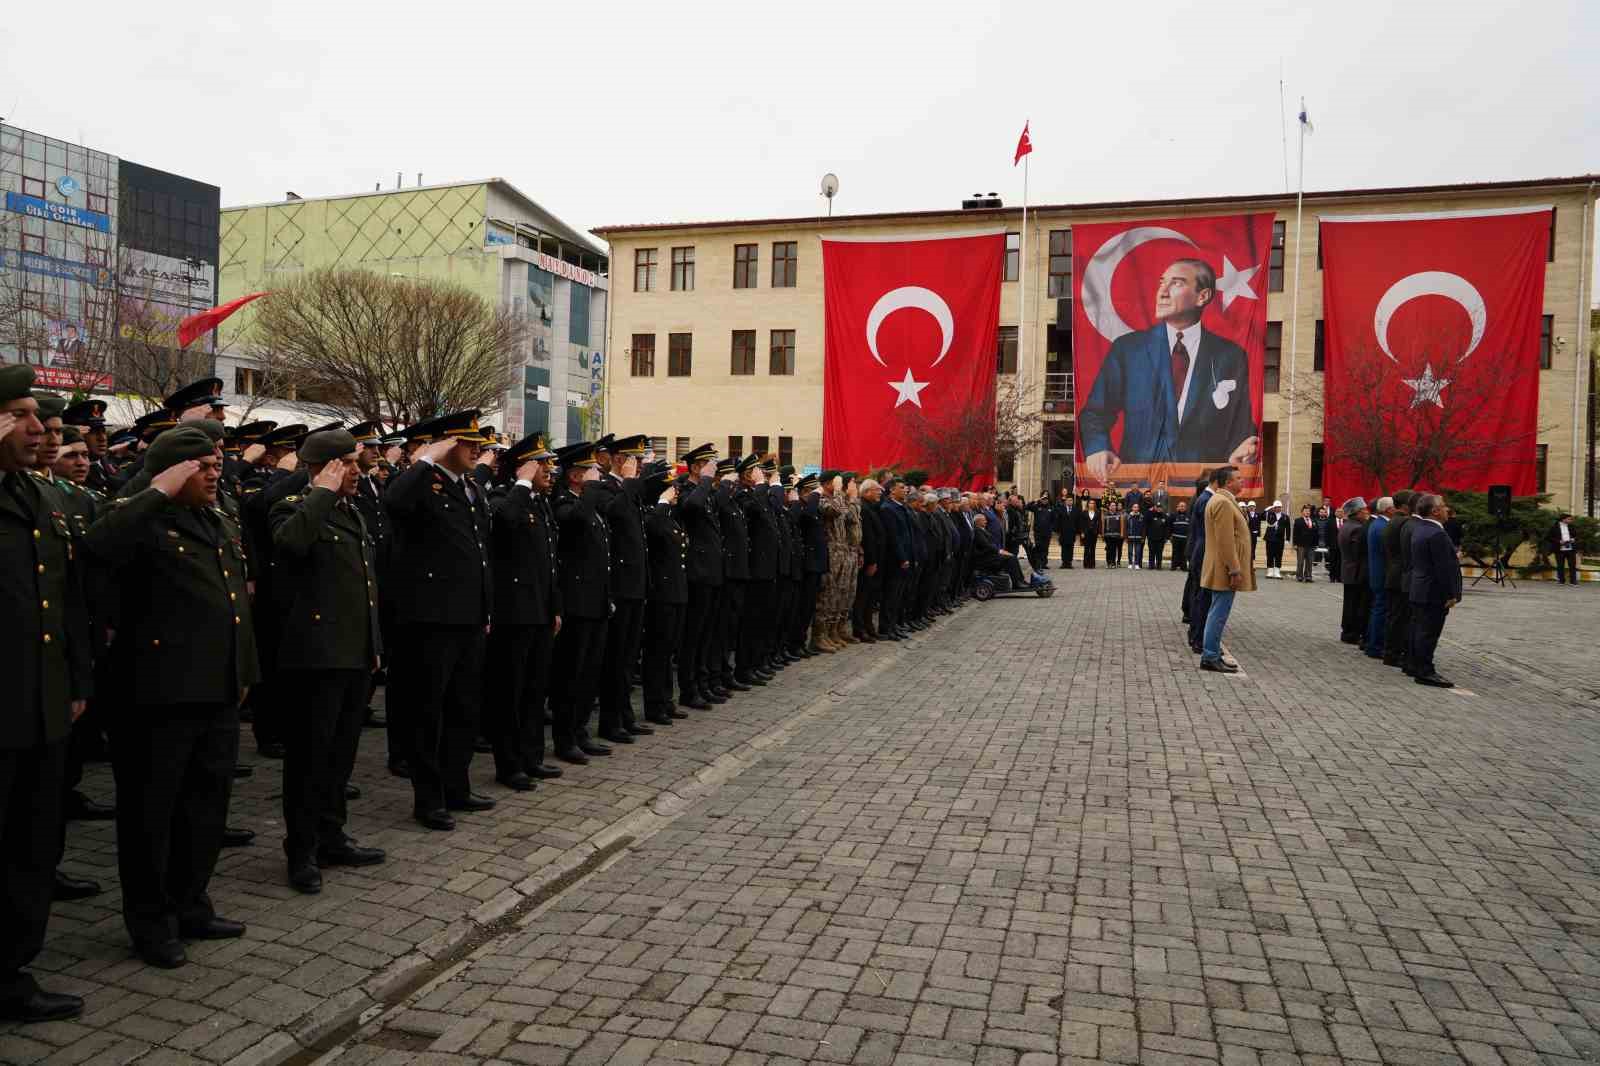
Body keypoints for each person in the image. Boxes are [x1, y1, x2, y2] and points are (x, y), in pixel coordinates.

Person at [83, 425, 257, 969]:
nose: (214, 474)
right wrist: (157, 489)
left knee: (205, 809)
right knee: (150, 815)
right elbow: (96, 547)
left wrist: (243, 668)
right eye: (201, 467)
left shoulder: (218, 518)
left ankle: (191, 904)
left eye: (217, 465)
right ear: (171, 471)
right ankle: (150, 921)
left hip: (216, 688)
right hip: (156, 693)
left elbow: (233, 601)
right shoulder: (140, 517)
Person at [0, 367, 92, 1021]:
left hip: (41, 705)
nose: (39, 430)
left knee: (30, 849)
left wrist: (77, 682)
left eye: (38, 415)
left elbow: (63, 601)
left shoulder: (36, 497)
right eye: (21, 415)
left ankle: (10, 972)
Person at [268, 429, 386, 894]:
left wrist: (373, 644)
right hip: (315, 657)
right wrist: (320, 492)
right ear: (325, 467)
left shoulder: (349, 512)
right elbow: (291, 544)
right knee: (308, 759)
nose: (360, 472)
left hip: (354, 654)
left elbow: (365, 588)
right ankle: (300, 850)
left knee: (340, 757)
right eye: (350, 465)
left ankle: (331, 835)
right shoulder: (296, 507)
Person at [382, 411, 495, 830]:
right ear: (447, 445)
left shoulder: (469, 489)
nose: (477, 451)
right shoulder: (423, 486)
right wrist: (426, 459)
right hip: (431, 618)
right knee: (429, 711)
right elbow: (393, 502)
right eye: (468, 444)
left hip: (468, 617)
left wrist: (485, 609)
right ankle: (429, 799)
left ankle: (456, 786)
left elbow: (480, 556)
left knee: (464, 708)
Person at [1079, 259, 1260, 481]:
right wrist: (1098, 448)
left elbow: (1240, 423)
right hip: (1139, 485)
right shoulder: (1128, 350)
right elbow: (1095, 413)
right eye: (1161, 283)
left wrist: (1241, 448)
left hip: (1201, 488)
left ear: (1202, 296)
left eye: (1176, 283)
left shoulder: (1231, 356)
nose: (1162, 292)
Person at [483, 434, 565, 788]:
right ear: (522, 467)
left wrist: (555, 607)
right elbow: (504, 523)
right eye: (540, 463)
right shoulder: (504, 497)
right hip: (513, 614)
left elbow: (548, 562)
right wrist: (520, 482)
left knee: (535, 691)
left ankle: (532, 757)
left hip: (540, 612)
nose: (548, 470)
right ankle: (509, 764)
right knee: (510, 693)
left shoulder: (539, 502)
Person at [550, 441, 614, 758]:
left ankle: (580, 730)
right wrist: (590, 490)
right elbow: (573, 520)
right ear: (575, 476)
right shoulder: (564, 503)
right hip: (576, 604)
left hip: (597, 602)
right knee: (570, 675)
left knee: (590, 672)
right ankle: (565, 738)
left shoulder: (590, 507)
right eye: (590, 471)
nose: (597, 475)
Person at [594, 436, 653, 744]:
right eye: (634, 459)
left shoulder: (629, 489)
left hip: (635, 584)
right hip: (618, 585)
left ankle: (624, 715)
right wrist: (628, 482)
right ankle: (610, 721)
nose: (639, 465)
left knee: (629, 656)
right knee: (615, 658)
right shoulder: (606, 487)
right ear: (618, 460)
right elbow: (614, 513)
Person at [641, 465, 689, 724]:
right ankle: (654, 705)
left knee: (669, 651)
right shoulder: (653, 515)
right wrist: (661, 502)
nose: (676, 492)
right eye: (671, 488)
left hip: (676, 592)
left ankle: (666, 700)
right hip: (661, 594)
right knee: (657, 652)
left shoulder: (668, 516)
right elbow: (654, 530)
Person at [676, 444, 723, 706]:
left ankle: (702, 683)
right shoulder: (688, 490)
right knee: (692, 635)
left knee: (707, 632)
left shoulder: (706, 492)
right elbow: (691, 507)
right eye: (706, 466)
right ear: (695, 467)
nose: (711, 472)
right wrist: (704, 479)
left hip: (712, 571)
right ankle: (688, 688)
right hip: (697, 572)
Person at [1198, 465, 1252, 673]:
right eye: (1238, 478)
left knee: (1218, 611)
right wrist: (1234, 570)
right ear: (1228, 482)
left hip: (1223, 566)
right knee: (1218, 613)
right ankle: (1210, 655)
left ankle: (1213, 653)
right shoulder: (1222, 502)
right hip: (1223, 567)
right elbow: (1226, 541)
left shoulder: (1224, 500)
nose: (1242, 481)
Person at [1408, 494, 1462, 687]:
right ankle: (1425, 671)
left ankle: (1415, 665)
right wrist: (1451, 594)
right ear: (1435, 511)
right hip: (1433, 591)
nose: (1447, 509)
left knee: (1419, 630)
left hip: (1420, 587)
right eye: (1444, 506)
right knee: (1428, 633)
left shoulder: (1421, 528)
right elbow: (1443, 568)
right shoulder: (1436, 533)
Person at [1384, 490, 1417, 673]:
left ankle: (1391, 651)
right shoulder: (1405, 522)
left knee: (1394, 616)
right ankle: (1394, 653)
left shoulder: (1393, 521)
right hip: (1400, 575)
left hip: (1393, 573)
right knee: (1400, 617)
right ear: (1406, 506)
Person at [877, 478, 915, 640]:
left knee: (898, 595)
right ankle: (886, 628)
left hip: (905, 556)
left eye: (906, 487)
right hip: (894, 560)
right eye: (902, 487)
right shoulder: (888, 508)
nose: (905, 490)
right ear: (892, 490)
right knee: (890, 595)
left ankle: (893, 626)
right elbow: (894, 537)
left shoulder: (901, 507)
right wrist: (902, 558)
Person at [1184, 474, 1213, 651]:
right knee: (1200, 596)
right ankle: (1196, 636)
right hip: (1200, 553)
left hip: (1196, 550)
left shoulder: (1198, 499)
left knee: (1196, 593)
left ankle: (1194, 630)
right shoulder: (1203, 501)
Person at [1336, 498, 1370, 644]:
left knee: (1349, 603)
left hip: (1348, 569)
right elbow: (1359, 552)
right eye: (1364, 511)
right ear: (1356, 513)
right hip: (1356, 570)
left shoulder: (1346, 525)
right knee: (1355, 604)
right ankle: (1352, 632)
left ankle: (1347, 630)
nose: (1366, 513)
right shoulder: (1357, 528)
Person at [1364, 497, 1395, 659]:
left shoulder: (1378, 524)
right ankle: (1375, 645)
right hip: (1382, 573)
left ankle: (1371, 642)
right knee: (1380, 610)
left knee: (1377, 608)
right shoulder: (1382, 526)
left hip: (1377, 572)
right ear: (1389, 510)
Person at [1549, 513, 1579, 585]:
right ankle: (1561, 580)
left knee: (1572, 565)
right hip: (1559, 549)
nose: (1571, 520)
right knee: (1560, 565)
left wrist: (1573, 539)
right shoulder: (1555, 527)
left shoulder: (1572, 526)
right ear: (1563, 519)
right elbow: (1549, 537)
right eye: (1569, 519)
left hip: (1570, 548)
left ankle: (1573, 581)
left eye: (1571, 519)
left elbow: (1577, 535)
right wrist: (1559, 541)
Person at [1262, 501, 1288, 579]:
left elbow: (1288, 528)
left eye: (1279, 507)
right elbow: (1263, 516)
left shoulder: (1285, 516)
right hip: (1270, 538)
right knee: (1269, 554)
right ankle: (1270, 571)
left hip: (1280, 539)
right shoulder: (1269, 515)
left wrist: (1288, 538)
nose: (1278, 508)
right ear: (1274, 508)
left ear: (1281, 508)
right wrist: (1268, 509)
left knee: (1279, 555)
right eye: (1276, 507)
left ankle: (1277, 572)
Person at [1291, 504, 1317, 582]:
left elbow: (1316, 533)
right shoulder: (1298, 520)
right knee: (1300, 561)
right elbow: (1295, 533)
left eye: (1308, 511)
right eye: (1305, 511)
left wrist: (1316, 544)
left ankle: (1308, 576)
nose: (1307, 512)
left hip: (1311, 544)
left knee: (1309, 561)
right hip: (1301, 544)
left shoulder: (1313, 520)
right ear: (1302, 512)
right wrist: (1294, 544)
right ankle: (1299, 576)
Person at [1051, 489, 1076, 569]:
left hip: (1072, 532)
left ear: (1072, 501)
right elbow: (1058, 521)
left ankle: (1069, 563)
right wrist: (1057, 531)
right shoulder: (1061, 509)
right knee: (1064, 548)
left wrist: (1078, 532)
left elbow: (1078, 521)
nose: (1070, 502)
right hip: (1063, 532)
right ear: (1066, 501)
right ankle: (1064, 563)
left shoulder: (1075, 510)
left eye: (1071, 500)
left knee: (1070, 548)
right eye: (1068, 500)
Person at [1323, 504, 1344, 582]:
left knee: (1341, 562)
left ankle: (1339, 577)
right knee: (1332, 561)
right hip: (1332, 545)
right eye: (1338, 512)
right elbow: (1326, 534)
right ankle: (1332, 577)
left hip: (1343, 546)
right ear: (1335, 513)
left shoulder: (1346, 522)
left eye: (1341, 512)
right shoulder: (1330, 522)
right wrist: (1327, 544)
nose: (1340, 513)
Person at [1146, 502, 1169, 569]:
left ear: (1162, 508)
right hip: (1151, 538)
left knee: (1159, 553)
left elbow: (1167, 527)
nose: (1159, 509)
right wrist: (1150, 510)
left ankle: (1159, 565)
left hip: (1161, 539)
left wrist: (1166, 537)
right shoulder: (1151, 515)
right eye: (1157, 507)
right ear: (1155, 508)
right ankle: (1151, 565)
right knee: (1151, 552)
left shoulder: (1165, 516)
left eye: (1160, 507)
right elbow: (1146, 521)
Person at [1168, 500, 1189, 572]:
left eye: (1183, 506)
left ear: (1186, 508)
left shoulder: (1189, 516)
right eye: (1181, 506)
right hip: (1175, 537)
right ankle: (1173, 566)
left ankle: (1184, 567)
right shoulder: (1173, 515)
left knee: (1184, 553)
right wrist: (1169, 536)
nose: (1182, 507)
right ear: (1178, 507)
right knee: (1175, 552)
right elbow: (1170, 526)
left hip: (1185, 538)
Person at [1079, 495, 1099, 569]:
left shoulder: (1097, 512)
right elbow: (1081, 523)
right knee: (1086, 548)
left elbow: (1098, 523)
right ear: (1088, 504)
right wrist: (1082, 532)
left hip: (1094, 533)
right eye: (1090, 503)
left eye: (1093, 503)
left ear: (1094, 505)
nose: (1091, 504)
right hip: (1086, 533)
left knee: (1093, 549)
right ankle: (1086, 564)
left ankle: (1092, 564)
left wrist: (1098, 532)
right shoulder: (1084, 512)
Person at [1102, 501, 1124, 568]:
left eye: (1114, 505)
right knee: (1108, 550)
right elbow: (1103, 525)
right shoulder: (1105, 514)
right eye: (1111, 505)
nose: (1113, 506)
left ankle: (1113, 563)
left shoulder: (1119, 514)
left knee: (1114, 550)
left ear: (1116, 507)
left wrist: (1121, 533)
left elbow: (1121, 524)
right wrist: (1102, 534)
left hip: (1116, 535)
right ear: (1109, 507)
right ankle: (1108, 563)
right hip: (1107, 535)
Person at [1126, 503, 1146, 569]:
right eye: (1134, 507)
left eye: (1137, 507)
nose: (1135, 508)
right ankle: (1130, 563)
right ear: (1132, 508)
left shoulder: (1141, 517)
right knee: (1130, 551)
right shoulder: (1128, 517)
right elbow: (1126, 527)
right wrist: (1126, 537)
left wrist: (1143, 537)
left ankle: (1137, 563)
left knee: (1138, 552)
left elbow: (1143, 528)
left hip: (1139, 537)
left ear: (1138, 508)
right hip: (1130, 537)